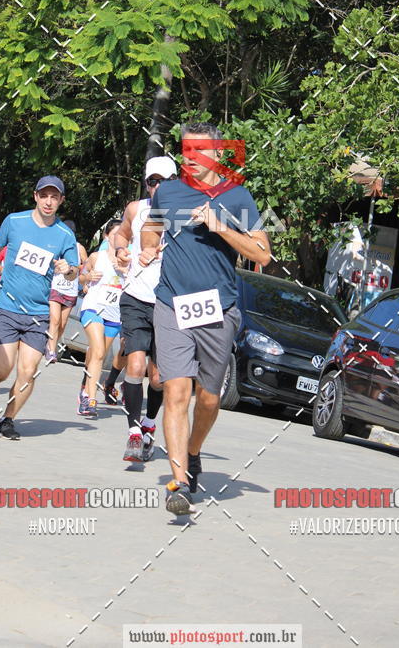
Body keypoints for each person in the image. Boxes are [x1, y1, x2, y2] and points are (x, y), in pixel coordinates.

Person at [140, 123, 271, 514]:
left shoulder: (238, 196)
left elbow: (262, 255)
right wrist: (149, 247)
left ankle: (193, 451)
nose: (191, 159)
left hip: (218, 310)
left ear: (218, 153)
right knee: (176, 391)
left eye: (200, 151)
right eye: (186, 151)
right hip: (172, 304)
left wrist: (220, 226)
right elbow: (151, 228)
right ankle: (179, 481)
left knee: (209, 399)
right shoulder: (168, 190)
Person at [0, 176, 78, 440]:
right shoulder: (15, 221)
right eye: (44, 195)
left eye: (54, 197)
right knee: (2, 367)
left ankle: (8, 419)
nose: (48, 201)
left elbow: (74, 271)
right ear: (35, 196)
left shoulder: (64, 234)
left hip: (38, 315)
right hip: (7, 307)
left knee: (27, 371)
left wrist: (68, 270)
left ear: (61, 201)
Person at [114, 156, 178, 463]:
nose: (157, 188)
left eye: (164, 182)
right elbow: (121, 232)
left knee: (158, 378)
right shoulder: (135, 209)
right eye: (153, 181)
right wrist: (120, 250)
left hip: (168, 303)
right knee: (136, 366)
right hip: (136, 296)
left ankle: (150, 423)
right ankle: (134, 433)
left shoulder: (185, 215)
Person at [77, 218, 124, 418]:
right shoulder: (97, 257)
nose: (120, 239)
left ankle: (85, 382)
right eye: (115, 235)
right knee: (97, 352)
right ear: (107, 237)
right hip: (93, 308)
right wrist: (87, 278)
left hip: (115, 314)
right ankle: (89, 398)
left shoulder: (130, 261)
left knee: (100, 355)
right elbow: (79, 278)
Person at [46, 219, 87, 364]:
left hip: (71, 290)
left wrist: (80, 272)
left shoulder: (78, 247)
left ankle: (50, 344)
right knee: (55, 320)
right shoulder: (55, 244)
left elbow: (86, 264)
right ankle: (51, 350)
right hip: (56, 287)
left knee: (62, 324)